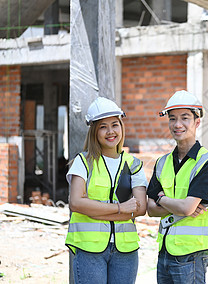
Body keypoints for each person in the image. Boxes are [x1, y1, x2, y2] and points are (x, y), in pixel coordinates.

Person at [65, 97, 147, 284]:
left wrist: (94, 211)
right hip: (89, 250)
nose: (110, 131)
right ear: (94, 131)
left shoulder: (133, 164)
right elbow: (76, 203)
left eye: (115, 125)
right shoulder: (84, 162)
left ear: (121, 126)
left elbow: (140, 208)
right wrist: (120, 209)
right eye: (103, 126)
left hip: (125, 252)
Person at [147, 90, 208, 284]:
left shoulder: (207, 164)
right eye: (172, 119)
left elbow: (187, 208)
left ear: (197, 122)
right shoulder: (162, 163)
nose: (177, 124)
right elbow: (150, 210)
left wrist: (161, 199)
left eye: (185, 118)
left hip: (192, 254)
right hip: (165, 250)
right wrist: (181, 205)